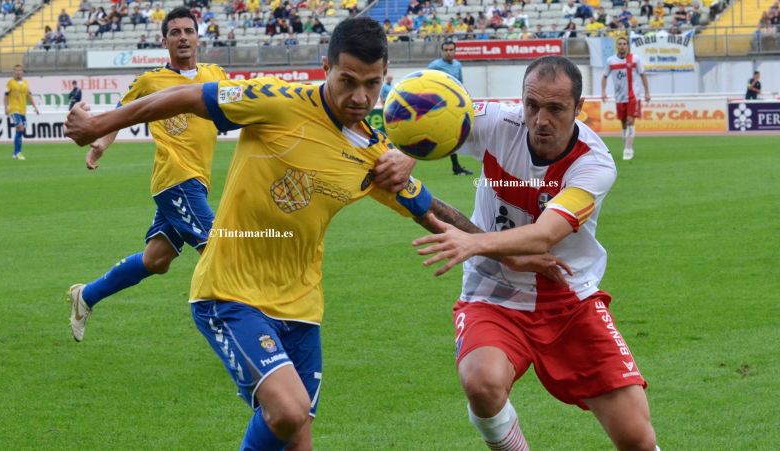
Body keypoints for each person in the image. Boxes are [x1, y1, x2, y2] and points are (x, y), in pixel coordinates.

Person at [65, 17, 566, 450]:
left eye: (372, 83)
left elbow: (428, 208)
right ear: (326, 68)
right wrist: (103, 123)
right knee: (287, 411)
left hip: (302, 308)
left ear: (385, 77)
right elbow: (189, 96)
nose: (360, 96)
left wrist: (502, 254)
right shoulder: (277, 102)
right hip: (229, 291)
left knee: (297, 433)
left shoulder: (374, 152)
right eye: (348, 80)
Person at [413, 56, 659, 451]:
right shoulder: (496, 121)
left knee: (636, 437)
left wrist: (474, 243)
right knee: (481, 381)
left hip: (567, 295)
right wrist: (405, 154)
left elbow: (544, 235)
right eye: (532, 105)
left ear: (579, 109)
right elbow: (425, 121)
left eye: (556, 109)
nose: (541, 119)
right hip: (492, 291)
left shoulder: (593, 164)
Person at [65, 7, 230, 343]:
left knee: (157, 260)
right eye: (175, 32)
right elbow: (120, 117)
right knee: (220, 252)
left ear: (198, 37)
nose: (183, 37)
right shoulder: (151, 81)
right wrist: (100, 144)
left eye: (188, 31)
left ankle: (87, 296)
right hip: (175, 180)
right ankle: (242, 336)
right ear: (164, 40)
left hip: (197, 181)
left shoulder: (216, 75)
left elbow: (246, 108)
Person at [428, 40, 473, 176]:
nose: (448, 52)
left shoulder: (457, 65)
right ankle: (455, 166)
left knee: (453, 134)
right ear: (442, 51)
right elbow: (426, 83)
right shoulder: (434, 66)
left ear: (455, 51)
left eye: (451, 50)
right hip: (439, 106)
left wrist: (466, 97)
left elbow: (460, 83)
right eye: (446, 50)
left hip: (454, 106)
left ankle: (456, 166)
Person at [601, 36, 650, 161]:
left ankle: (627, 150)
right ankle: (627, 146)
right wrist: (603, 92)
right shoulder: (611, 61)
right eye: (620, 44)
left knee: (630, 121)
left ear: (627, 46)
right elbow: (605, 76)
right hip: (619, 98)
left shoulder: (635, 59)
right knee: (623, 124)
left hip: (633, 96)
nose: (622, 46)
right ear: (617, 46)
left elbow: (643, 75)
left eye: (624, 43)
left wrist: (647, 92)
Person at [4, 64, 40, 160]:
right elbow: (6, 95)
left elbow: (29, 96)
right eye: (16, 70)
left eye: (20, 70)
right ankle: (18, 152)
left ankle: (15, 152)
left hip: (23, 111)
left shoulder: (25, 83)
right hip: (14, 110)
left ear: (22, 72)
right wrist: (6, 108)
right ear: (13, 72)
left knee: (20, 130)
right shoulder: (10, 83)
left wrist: (35, 107)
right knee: (20, 128)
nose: (18, 72)